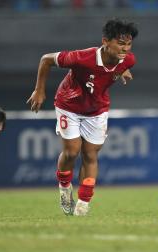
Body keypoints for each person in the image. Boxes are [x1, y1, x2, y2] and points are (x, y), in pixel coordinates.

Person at [26, 18, 138, 216]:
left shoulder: (128, 60)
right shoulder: (81, 58)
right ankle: (64, 188)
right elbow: (46, 59)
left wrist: (123, 71)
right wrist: (39, 90)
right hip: (69, 105)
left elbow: (118, 65)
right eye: (121, 43)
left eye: (128, 44)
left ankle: (83, 204)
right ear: (105, 41)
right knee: (71, 152)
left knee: (90, 155)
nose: (125, 49)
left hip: (97, 110)